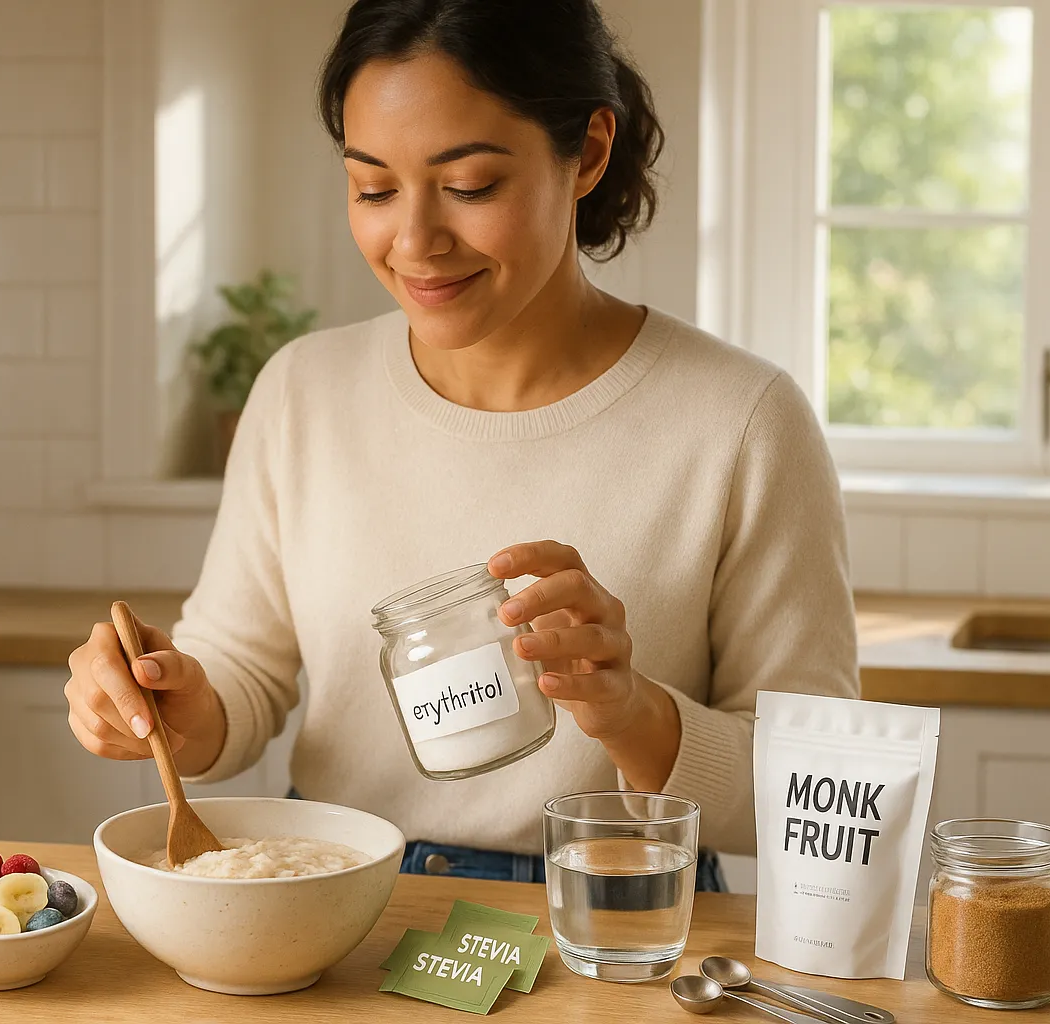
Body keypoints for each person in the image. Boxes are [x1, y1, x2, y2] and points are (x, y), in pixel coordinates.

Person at [64, 0, 858, 887]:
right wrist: (170, 708)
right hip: (337, 905)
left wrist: (630, 710)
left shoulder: (742, 419)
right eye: (372, 188)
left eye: (471, 186)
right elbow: (239, 677)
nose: (414, 241)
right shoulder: (303, 390)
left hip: (610, 921)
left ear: (589, 151)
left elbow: (818, 784)